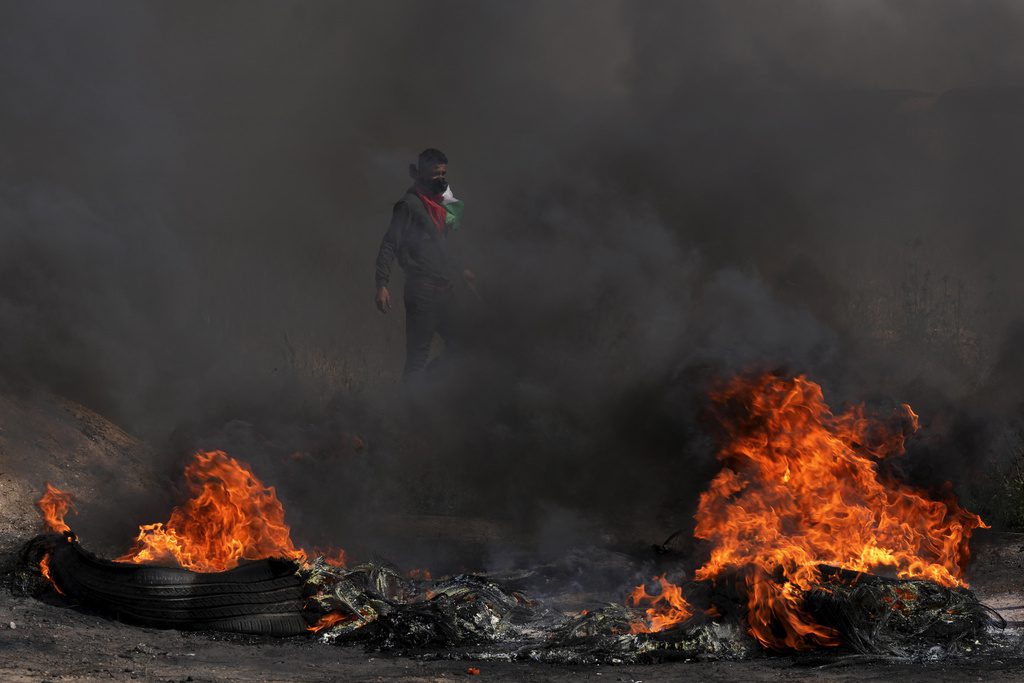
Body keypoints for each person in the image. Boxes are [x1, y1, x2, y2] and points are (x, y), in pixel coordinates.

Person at [374, 148, 474, 379]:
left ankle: (427, 389)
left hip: (444, 288)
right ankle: (411, 406)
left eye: (443, 173)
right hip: (421, 290)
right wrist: (381, 284)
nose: (441, 179)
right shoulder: (408, 205)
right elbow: (390, 243)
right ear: (419, 173)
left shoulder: (441, 204)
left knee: (462, 345)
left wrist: (461, 269)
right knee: (417, 358)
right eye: (435, 173)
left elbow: (444, 244)